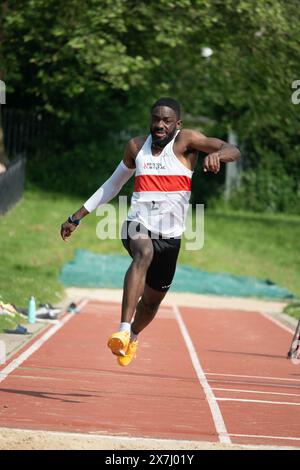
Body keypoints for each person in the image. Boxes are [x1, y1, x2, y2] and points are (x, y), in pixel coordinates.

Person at [60, 97, 241, 367]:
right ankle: (122, 328)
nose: (159, 124)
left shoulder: (187, 142)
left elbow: (232, 149)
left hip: (170, 237)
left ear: (177, 124)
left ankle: (132, 335)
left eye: (166, 120)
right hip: (137, 224)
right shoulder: (135, 147)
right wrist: (76, 216)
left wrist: (217, 155)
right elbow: (112, 185)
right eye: (156, 119)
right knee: (142, 253)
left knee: (152, 304)